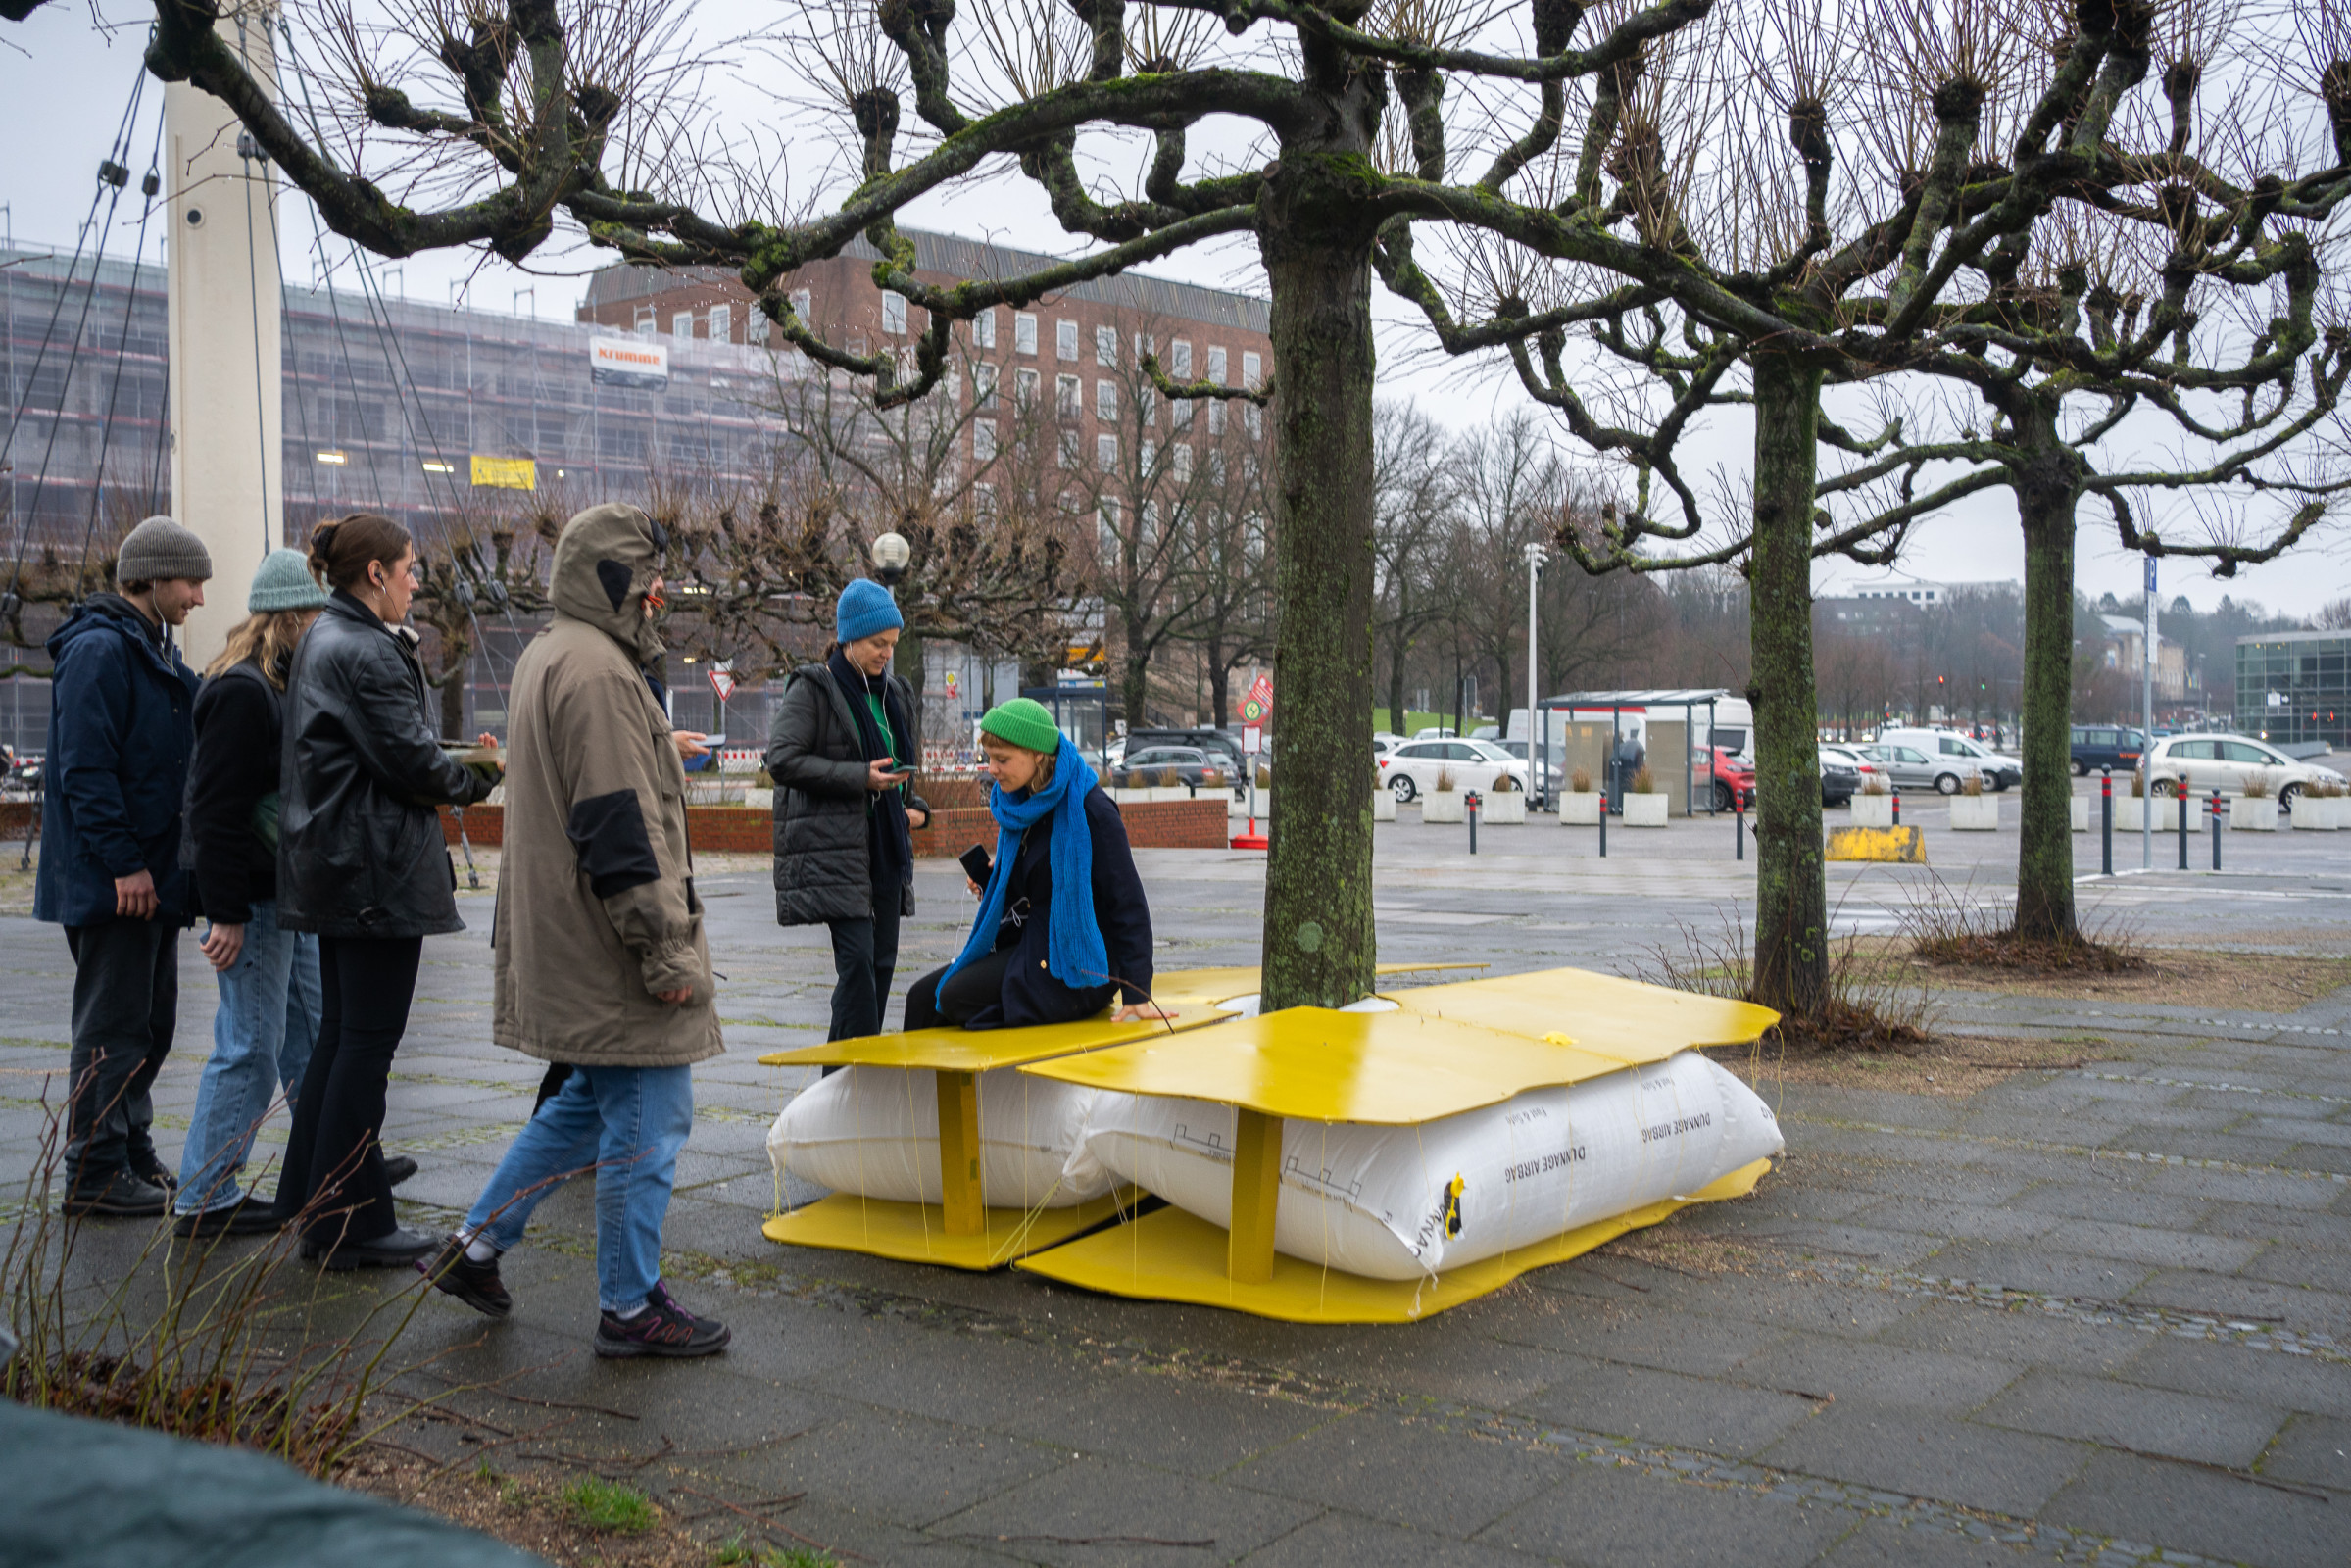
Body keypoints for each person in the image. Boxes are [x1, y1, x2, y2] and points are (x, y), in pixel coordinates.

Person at [419, 504, 728, 1357]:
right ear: (613, 578)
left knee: (586, 1106)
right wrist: (664, 949)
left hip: (569, 932)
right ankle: (629, 1308)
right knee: (651, 1118)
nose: (659, 595)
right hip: (609, 947)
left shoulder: (556, 652)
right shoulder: (598, 672)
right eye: (649, 579)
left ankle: (476, 1246)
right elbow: (618, 826)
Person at [273, 514, 499, 1268]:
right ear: (375, 573)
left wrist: (457, 764)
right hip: (373, 871)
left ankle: (313, 1201)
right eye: (409, 568)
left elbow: (385, 749)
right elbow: (409, 761)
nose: (416, 581)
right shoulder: (367, 648)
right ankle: (348, 1226)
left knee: (340, 1039)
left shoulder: (327, 636)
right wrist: (480, 778)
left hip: (339, 866)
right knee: (364, 1048)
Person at [34, 515, 211, 1216]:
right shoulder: (101, 650)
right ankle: (94, 1172)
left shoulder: (148, 649)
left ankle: (129, 1148)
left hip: (149, 880)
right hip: (118, 882)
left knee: (149, 1025)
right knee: (112, 1030)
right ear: (154, 576)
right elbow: (85, 770)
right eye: (191, 581)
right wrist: (124, 864)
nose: (198, 596)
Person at [172, 550, 332, 1236]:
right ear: (292, 617)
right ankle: (205, 1195)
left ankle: (334, 1164)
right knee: (251, 1046)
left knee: (310, 1035)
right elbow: (214, 812)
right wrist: (227, 913)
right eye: (316, 614)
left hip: (280, 895)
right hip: (257, 900)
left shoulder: (267, 683)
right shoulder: (244, 691)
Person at [905, 698, 1166, 1030]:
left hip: (1076, 967)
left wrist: (1137, 990)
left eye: (1002, 759)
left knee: (954, 998)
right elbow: (1035, 888)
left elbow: (1127, 902)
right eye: (989, 758)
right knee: (922, 998)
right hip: (1029, 944)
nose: (991, 769)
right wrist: (995, 883)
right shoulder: (1021, 804)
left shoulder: (1091, 810)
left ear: (1037, 755)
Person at [765, 578, 931, 1042]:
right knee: (857, 965)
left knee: (880, 966)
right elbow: (782, 759)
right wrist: (860, 778)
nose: (887, 654)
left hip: (886, 849)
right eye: (878, 643)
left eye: (892, 644)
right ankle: (850, 1073)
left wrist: (915, 808)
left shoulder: (896, 694)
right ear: (849, 638)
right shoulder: (813, 688)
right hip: (838, 851)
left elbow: (900, 772)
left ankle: (850, 1069)